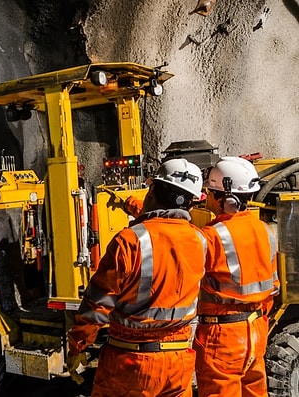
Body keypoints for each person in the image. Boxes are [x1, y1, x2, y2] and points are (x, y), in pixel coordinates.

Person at [67, 158, 207, 397]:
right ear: (191, 205)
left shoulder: (129, 241)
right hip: (178, 364)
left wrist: (78, 344)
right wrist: (130, 204)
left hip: (131, 363)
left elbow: (98, 302)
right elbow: (165, 223)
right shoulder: (201, 240)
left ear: (151, 191)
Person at [193, 156, 279, 397]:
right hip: (256, 329)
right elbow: (273, 288)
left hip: (223, 336)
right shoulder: (264, 230)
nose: (206, 196)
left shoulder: (211, 236)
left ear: (225, 198)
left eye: (210, 191)